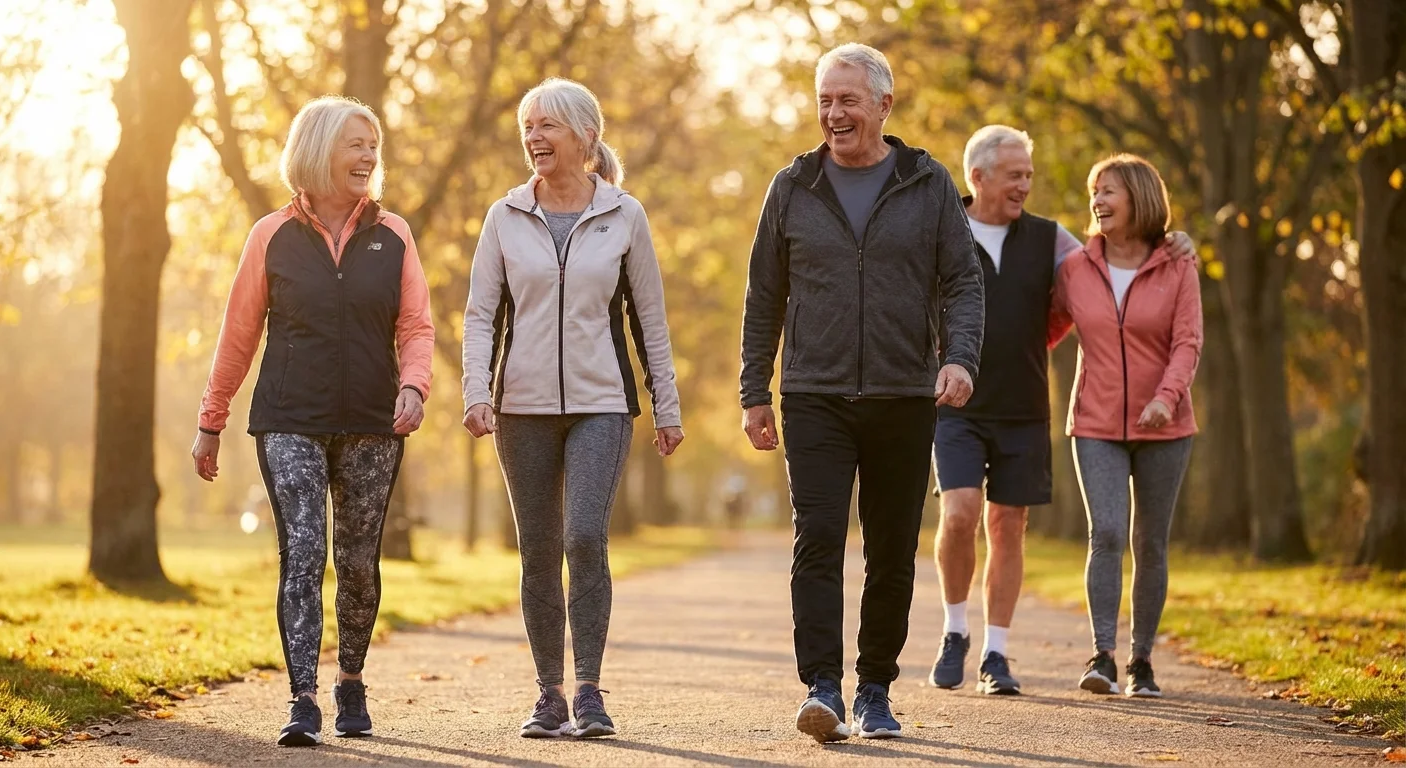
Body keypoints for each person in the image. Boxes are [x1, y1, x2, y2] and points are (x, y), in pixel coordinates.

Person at [739, 43, 985, 743]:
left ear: (884, 104)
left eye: (848, 100)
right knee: (818, 537)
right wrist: (754, 390)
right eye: (824, 100)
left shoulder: (927, 183)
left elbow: (963, 280)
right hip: (813, 392)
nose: (834, 114)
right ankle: (822, 687)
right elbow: (764, 296)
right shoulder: (793, 186)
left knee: (891, 548)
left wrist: (960, 359)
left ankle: (875, 689)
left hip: (903, 392)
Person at [192, 95, 434, 746]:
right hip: (289, 417)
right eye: (356, 143)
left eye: (373, 145)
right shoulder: (270, 235)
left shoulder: (394, 234)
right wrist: (211, 420)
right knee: (303, 553)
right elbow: (238, 334)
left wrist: (415, 386)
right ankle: (302, 699)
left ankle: (350, 680)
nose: (369, 155)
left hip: (373, 421)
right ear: (319, 148)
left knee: (356, 560)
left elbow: (416, 325)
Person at [929, 127, 1195, 696]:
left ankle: (995, 654)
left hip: (1024, 406)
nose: (1026, 185)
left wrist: (1174, 240)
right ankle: (954, 629)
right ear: (978, 177)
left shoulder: (1052, 240)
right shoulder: (941, 228)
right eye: (1015, 175)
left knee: (1008, 524)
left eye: (1029, 174)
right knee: (960, 514)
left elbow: (1107, 265)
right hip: (956, 404)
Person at [461, 77, 684, 739]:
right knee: (538, 550)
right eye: (528, 126)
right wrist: (477, 392)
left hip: (602, 404)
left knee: (584, 537)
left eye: (548, 125)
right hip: (522, 407)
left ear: (586, 136)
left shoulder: (624, 215)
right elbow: (479, 316)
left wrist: (666, 406)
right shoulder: (504, 217)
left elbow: (649, 319)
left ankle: (589, 691)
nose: (535, 137)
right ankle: (549, 694)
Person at [1048, 153, 1202, 699]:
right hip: (1095, 421)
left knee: (1150, 543)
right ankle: (1102, 656)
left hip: (1166, 425)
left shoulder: (1178, 264)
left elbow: (1188, 342)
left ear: (1140, 197)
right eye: (1094, 191)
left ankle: (1142, 661)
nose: (1097, 200)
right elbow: (1045, 329)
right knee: (1108, 533)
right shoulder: (1075, 268)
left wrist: (1166, 397)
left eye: (1108, 190)